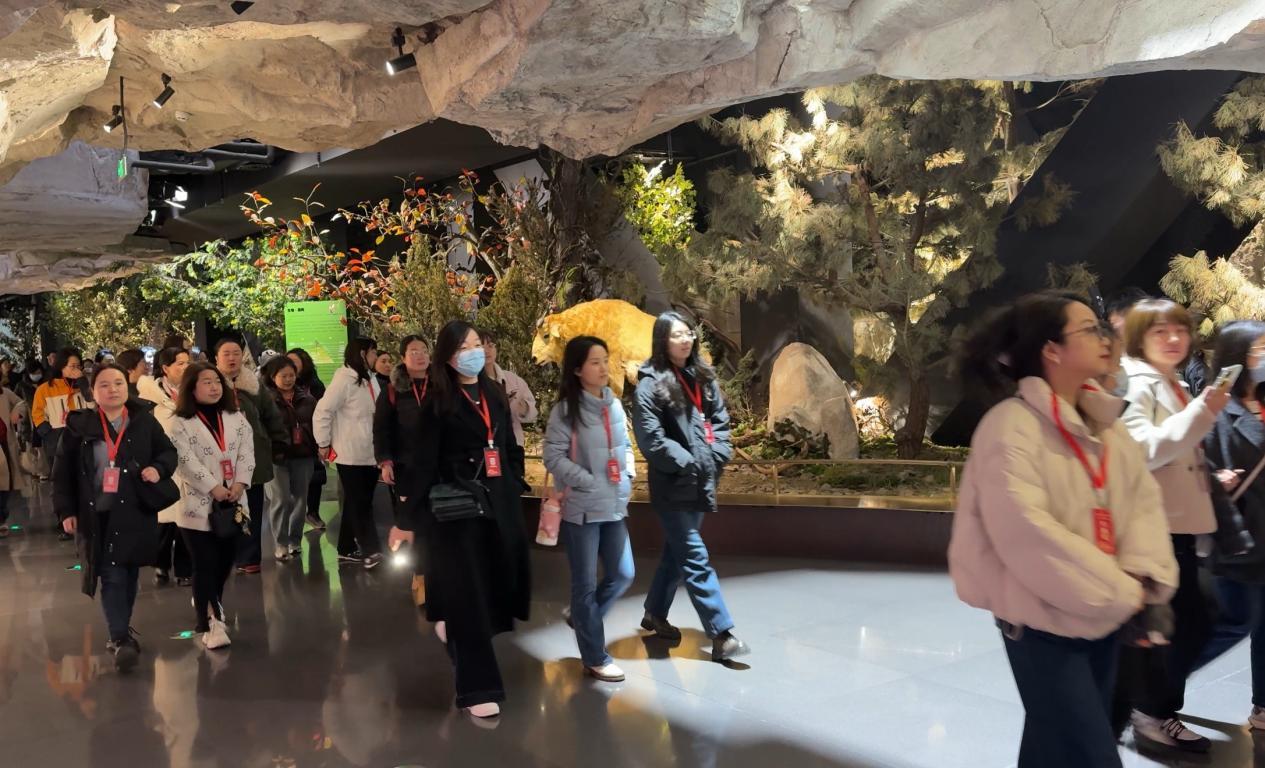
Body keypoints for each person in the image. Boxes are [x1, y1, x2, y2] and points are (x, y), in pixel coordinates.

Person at [949, 291, 1179, 768]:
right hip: (1041, 624)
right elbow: (1027, 534)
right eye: (1090, 329)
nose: (1105, 338)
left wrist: (1139, 575)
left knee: (1052, 749)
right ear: (1051, 350)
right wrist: (1121, 591)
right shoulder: (1010, 427)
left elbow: (1142, 505)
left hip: (1104, 616)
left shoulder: (1106, 425)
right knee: (1090, 755)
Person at [387, 320, 531, 720]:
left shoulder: (493, 393)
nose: (474, 352)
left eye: (477, 344)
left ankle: (449, 623)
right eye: (464, 347)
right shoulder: (437, 402)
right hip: (454, 513)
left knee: (490, 591)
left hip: (496, 507)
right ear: (448, 357)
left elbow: (507, 444)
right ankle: (477, 688)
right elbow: (421, 464)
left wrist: (514, 481)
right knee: (469, 600)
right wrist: (406, 520)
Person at [1115, 298, 1228, 753]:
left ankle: (1152, 707)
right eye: (1160, 331)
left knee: (1189, 621)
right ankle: (1148, 710)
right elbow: (1143, 451)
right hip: (1154, 527)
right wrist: (1203, 412)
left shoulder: (1171, 382)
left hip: (1178, 525)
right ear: (1138, 337)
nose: (1175, 339)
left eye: (1180, 330)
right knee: (1184, 622)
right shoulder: (1136, 383)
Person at [631, 311, 748, 662]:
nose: (685, 340)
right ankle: (721, 633)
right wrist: (688, 462)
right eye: (676, 335)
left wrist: (717, 455)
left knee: (677, 553)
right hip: (673, 486)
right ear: (662, 341)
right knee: (695, 556)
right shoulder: (650, 384)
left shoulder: (703, 377)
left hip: (702, 480)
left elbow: (720, 423)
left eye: (688, 333)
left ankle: (654, 612)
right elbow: (651, 439)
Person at [53, 364, 179, 672]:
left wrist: (158, 469)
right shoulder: (79, 426)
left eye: (119, 383)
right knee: (111, 574)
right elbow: (62, 472)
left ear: (127, 387)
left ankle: (122, 630)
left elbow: (168, 453)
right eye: (105, 384)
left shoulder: (143, 421)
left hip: (134, 510)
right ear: (93, 392)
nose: (113, 389)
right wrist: (66, 511)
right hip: (97, 515)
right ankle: (120, 637)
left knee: (130, 572)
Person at [543, 336, 636, 682]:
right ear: (577, 369)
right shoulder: (565, 411)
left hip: (614, 503)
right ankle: (595, 657)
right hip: (581, 508)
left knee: (623, 574)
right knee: (583, 585)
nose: (603, 367)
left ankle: (582, 617)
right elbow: (553, 456)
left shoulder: (614, 405)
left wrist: (628, 475)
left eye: (605, 360)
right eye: (595, 362)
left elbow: (625, 446)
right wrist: (585, 480)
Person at [1198, 321, 1265, 730]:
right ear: (1237, 357)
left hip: (1260, 536)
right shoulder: (1216, 409)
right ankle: (1151, 694)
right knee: (1228, 624)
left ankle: (1263, 706)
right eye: (1259, 350)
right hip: (1239, 535)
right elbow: (1201, 466)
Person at [168, 363, 255, 649]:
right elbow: (184, 461)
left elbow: (247, 453)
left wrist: (239, 484)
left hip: (233, 502)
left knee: (225, 562)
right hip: (197, 504)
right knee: (204, 564)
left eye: (217, 381)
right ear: (191, 387)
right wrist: (213, 487)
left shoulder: (236, 417)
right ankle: (210, 623)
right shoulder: (179, 422)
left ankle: (211, 601)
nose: (214, 387)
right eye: (206, 382)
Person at [214, 337, 287, 575]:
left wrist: (279, 442)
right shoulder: (210, 384)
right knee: (224, 507)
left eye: (236, 353)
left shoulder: (254, 385)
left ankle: (249, 557)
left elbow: (271, 415)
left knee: (253, 507)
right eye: (226, 354)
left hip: (254, 455)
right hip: (220, 458)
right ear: (216, 358)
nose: (232, 358)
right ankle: (226, 555)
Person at [313, 338, 384, 570]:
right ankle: (371, 550)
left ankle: (345, 547)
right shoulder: (344, 380)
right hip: (349, 453)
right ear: (362, 353)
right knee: (360, 503)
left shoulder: (369, 379)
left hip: (370, 452)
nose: (376, 357)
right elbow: (323, 411)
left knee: (358, 502)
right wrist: (323, 443)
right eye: (373, 352)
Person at [373, 335, 432, 600]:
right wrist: (385, 462)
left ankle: (435, 572)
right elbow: (381, 430)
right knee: (412, 521)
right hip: (407, 468)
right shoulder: (392, 391)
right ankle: (419, 574)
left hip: (438, 467)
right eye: (413, 351)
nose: (420, 355)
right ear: (403, 357)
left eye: (424, 350)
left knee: (437, 520)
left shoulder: (442, 385)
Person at [137, 346, 193, 586]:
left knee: (187, 520)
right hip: (162, 464)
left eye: (187, 362)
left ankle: (184, 569)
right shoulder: (149, 397)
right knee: (165, 520)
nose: (186, 367)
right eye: (180, 363)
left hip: (191, 464)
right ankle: (160, 563)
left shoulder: (194, 391)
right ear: (165, 368)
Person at [261, 355, 318, 562]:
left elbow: (317, 425)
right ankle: (281, 542)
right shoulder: (266, 400)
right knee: (281, 499)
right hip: (277, 457)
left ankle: (295, 540)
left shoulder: (308, 399)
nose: (288, 380)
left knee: (301, 500)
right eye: (283, 376)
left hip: (303, 455)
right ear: (273, 377)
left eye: (291, 375)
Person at [34, 348, 92, 536]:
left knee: (84, 477)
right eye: (72, 366)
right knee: (61, 480)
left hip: (84, 437)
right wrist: (50, 436)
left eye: (79, 366)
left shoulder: (84, 387)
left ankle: (85, 518)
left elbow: (94, 404)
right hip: (57, 438)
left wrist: (83, 383)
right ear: (61, 367)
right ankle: (64, 520)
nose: (77, 370)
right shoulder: (45, 389)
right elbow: (37, 415)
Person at [289, 347, 328, 531]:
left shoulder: (315, 385)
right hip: (287, 440)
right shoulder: (277, 385)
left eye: (295, 363)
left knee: (316, 476)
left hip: (311, 436)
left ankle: (312, 512)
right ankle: (293, 518)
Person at [478, 329, 537, 448]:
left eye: (490, 345)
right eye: (480, 347)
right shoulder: (471, 381)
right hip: (483, 444)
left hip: (513, 445)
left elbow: (533, 413)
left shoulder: (512, 379)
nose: (486, 351)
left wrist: (524, 408)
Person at [0, 381, 27, 539]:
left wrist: (17, 413)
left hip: (4, 444)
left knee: (5, 484)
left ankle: (1, 518)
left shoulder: (5, 393)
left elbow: (21, 403)